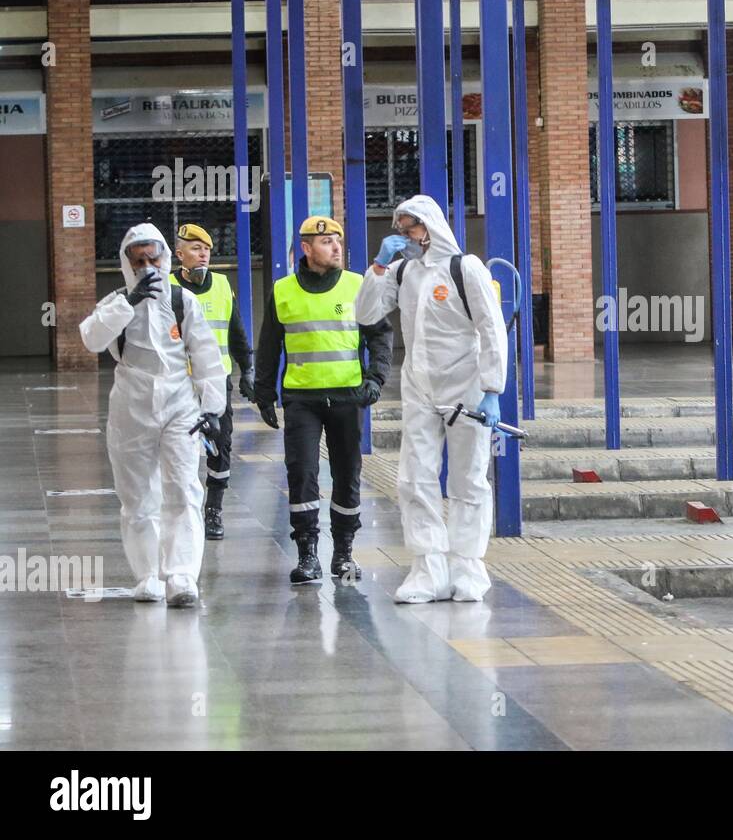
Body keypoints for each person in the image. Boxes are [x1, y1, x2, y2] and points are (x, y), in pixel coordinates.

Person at [355, 195, 507, 603]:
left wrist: (493, 390)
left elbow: (491, 329)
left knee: (468, 478)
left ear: (432, 225)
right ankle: (427, 568)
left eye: (413, 227)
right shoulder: (403, 273)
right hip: (420, 386)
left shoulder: (465, 268)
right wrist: (378, 266)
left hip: (467, 386)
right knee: (414, 477)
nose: (407, 235)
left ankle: (467, 566)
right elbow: (366, 314)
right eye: (402, 229)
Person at [79, 224, 226, 606]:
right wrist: (128, 302)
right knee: (137, 494)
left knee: (183, 488)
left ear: (165, 257)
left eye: (154, 258)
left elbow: (207, 357)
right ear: (127, 264)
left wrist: (212, 409)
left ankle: (181, 576)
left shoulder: (182, 301)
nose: (147, 267)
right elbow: (91, 338)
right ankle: (147, 575)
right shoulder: (115, 303)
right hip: (131, 404)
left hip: (180, 404)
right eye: (138, 260)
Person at [254, 216, 392, 584]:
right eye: (327, 242)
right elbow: (269, 346)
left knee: (348, 474)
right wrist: (264, 393)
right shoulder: (283, 291)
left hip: (349, 397)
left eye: (338, 241)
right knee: (302, 474)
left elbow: (379, 335)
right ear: (306, 248)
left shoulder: (357, 285)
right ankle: (308, 554)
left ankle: (344, 554)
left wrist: (376, 378)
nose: (336, 248)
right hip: (302, 399)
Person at [171, 223, 256, 540]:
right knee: (178, 448)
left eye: (206, 248)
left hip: (216, 385)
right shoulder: (168, 287)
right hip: (178, 386)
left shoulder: (222, 285)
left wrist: (247, 367)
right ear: (180, 254)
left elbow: (236, 331)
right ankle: (181, 509)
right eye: (195, 249)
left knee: (219, 447)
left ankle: (214, 511)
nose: (203, 253)